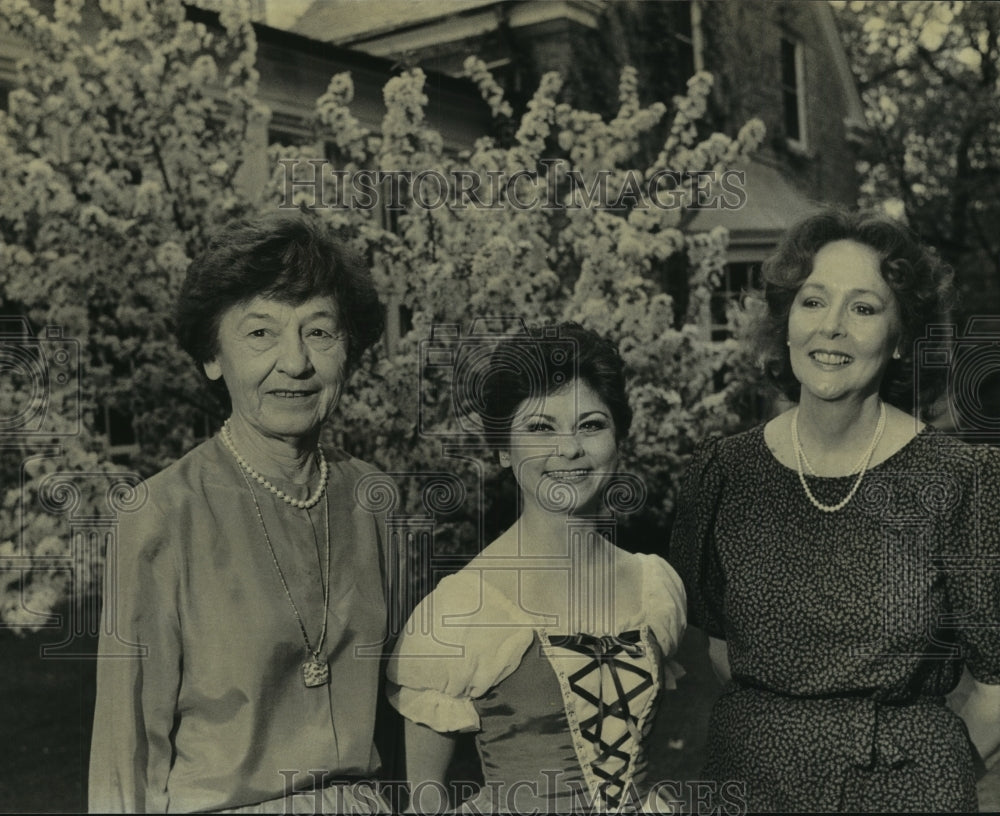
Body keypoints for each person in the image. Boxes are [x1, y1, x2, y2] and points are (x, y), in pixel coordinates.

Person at [670, 208, 1000, 812]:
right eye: (813, 302)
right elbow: (719, 647)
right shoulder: (726, 473)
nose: (833, 328)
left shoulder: (960, 481)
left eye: (865, 308)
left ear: (900, 337)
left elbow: (998, 689)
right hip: (746, 790)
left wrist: (922, 778)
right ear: (787, 323)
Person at [89, 211, 394, 813]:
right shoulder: (159, 515)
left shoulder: (374, 501)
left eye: (320, 332)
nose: (297, 363)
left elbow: (409, 698)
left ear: (348, 353)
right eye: (261, 334)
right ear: (212, 356)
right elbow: (125, 754)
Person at [387, 322, 687, 813]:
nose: (568, 449)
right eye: (540, 428)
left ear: (620, 438)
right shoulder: (463, 609)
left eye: (590, 424)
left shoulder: (654, 586)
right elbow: (424, 800)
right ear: (504, 449)